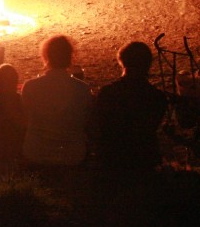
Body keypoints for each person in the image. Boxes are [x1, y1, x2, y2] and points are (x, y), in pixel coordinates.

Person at [93, 42, 167, 170]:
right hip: (145, 161)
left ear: (121, 61)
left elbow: (99, 127)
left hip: (113, 160)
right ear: (148, 64)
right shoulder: (157, 97)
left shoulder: (108, 93)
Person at [22, 36, 93, 166]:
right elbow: (87, 121)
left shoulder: (31, 87)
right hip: (72, 154)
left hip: (37, 152)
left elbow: (24, 118)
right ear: (71, 57)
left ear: (46, 57)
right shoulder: (83, 89)